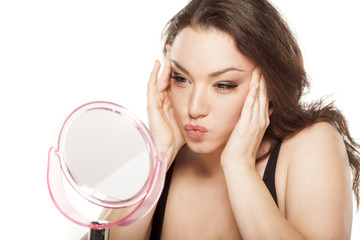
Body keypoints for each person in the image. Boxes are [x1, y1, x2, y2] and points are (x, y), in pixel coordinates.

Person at [102, 0, 360, 239]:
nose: (194, 108)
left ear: (267, 85)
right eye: (181, 78)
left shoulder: (311, 144)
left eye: (223, 85)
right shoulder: (161, 163)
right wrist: (159, 154)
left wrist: (239, 166)